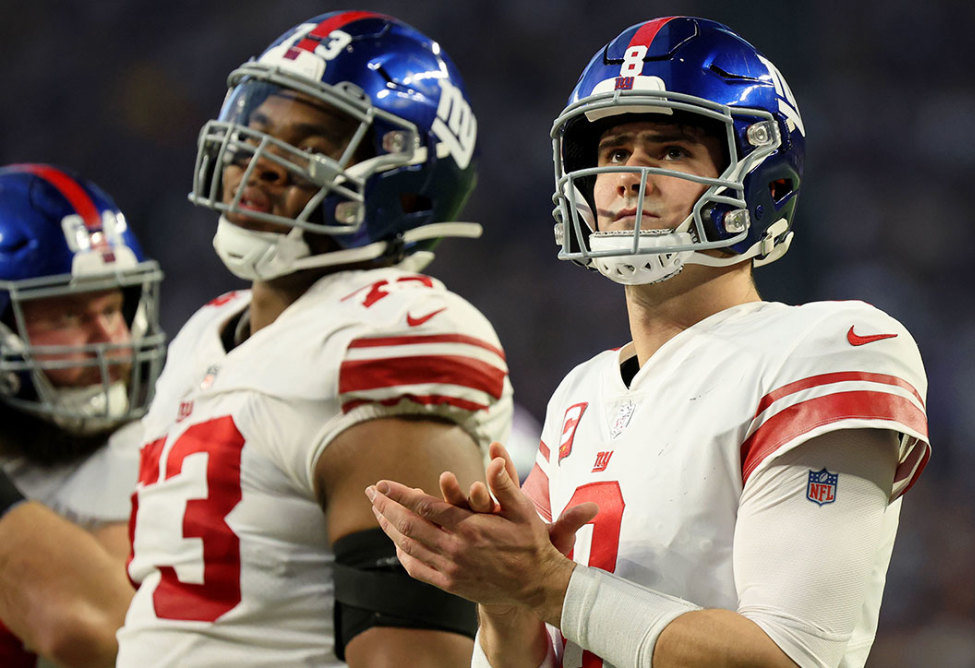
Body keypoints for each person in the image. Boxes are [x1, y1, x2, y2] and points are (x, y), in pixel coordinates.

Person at [368, 16, 932, 668]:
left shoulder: (829, 348)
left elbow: (794, 657)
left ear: (762, 180)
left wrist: (545, 583)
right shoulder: (581, 393)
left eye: (670, 151)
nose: (631, 173)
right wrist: (502, 594)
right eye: (613, 153)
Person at [116, 11, 512, 668]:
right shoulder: (204, 331)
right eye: (259, 131)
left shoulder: (386, 337)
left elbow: (412, 658)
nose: (260, 163)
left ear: (406, 187)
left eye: (315, 144)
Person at [0, 163, 165, 667]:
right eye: (69, 316)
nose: (110, 343)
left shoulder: (145, 461)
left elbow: (93, 632)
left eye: (113, 310)